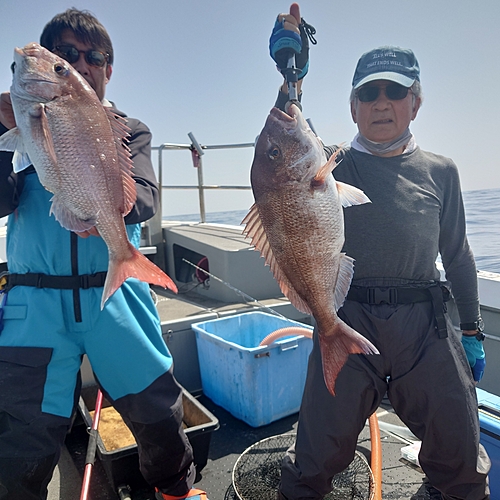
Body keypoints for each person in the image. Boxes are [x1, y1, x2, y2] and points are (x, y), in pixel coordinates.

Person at [269, 4, 490, 500]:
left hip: (425, 325)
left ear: (416, 102)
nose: (382, 102)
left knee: (461, 458)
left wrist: (472, 330)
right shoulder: (328, 166)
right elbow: (282, 151)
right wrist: (291, 77)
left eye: (396, 91)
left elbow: (457, 255)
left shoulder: (442, 171)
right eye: (369, 93)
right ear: (353, 107)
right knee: (313, 458)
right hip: (348, 317)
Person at [0, 9, 208, 500]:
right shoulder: (19, 129)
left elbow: (149, 201)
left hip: (115, 295)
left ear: (108, 70)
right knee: (24, 435)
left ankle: (176, 491)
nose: (84, 63)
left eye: (95, 57)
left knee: (158, 410)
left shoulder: (128, 129)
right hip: (37, 304)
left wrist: (98, 192)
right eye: (66, 56)